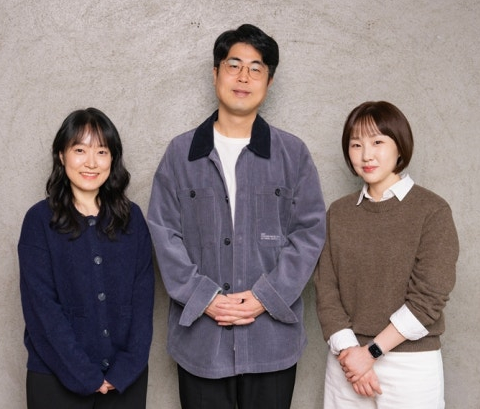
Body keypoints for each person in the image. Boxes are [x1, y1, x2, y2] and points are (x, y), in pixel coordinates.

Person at [147, 24, 326, 409]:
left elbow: (309, 233)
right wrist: (204, 297)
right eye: (234, 65)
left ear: (269, 81)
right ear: (215, 74)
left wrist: (265, 297)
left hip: (271, 341)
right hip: (201, 343)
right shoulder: (180, 154)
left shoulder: (292, 154)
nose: (243, 77)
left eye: (256, 68)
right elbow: (163, 233)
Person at [314, 101, 459, 408]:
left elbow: (429, 297)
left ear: (399, 146)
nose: (366, 155)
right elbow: (326, 290)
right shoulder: (338, 213)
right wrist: (350, 353)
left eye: (377, 142)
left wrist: (371, 353)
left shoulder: (432, 211)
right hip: (345, 361)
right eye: (356, 144)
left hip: (410, 365)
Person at [18, 108, 154, 409]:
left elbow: (143, 301)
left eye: (102, 151)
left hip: (124, 380)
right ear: (61, 155)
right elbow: (42, 310)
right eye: (80, 150)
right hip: (54, 378)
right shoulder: (39, 221)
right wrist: (86, 375)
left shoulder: (132, 219)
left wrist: (124, 370)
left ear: (113, 159)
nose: (91, 162)